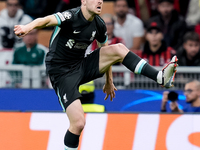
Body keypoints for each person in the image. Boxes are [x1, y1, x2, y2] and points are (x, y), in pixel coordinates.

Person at [14, 0, 178, 149]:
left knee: (118, 49)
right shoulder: (71, 16)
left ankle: (160, 77)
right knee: (78, 123)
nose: (100, 1)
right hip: (61, 72)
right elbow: (46, 20)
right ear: (84, 1)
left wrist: (108, 80)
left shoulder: (99, 24)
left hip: (81, 65)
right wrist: (27, 28)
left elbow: (105, 52)